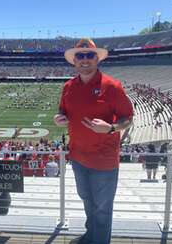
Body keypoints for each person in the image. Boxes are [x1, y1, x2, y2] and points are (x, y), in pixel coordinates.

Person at [54, 38, 133, 244]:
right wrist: (59, 118)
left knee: (103, 210)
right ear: (74, 61)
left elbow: (128, 119)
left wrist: (111, 128)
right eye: (80, 56)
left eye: (90, 55)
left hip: (104, 161)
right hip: (78, 158)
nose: (85, 59)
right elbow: (63, 110)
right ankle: (91, 236)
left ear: (97, 58)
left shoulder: (112, 86)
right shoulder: (68, 87)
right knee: (88, 203)